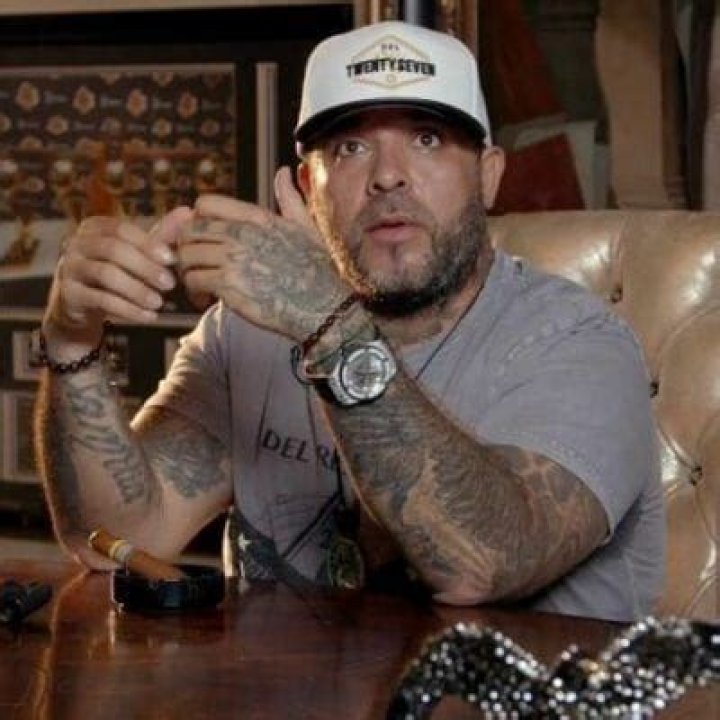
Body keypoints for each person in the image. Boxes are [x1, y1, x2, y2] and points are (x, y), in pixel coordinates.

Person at [33, 21, 665, 621]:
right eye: (350, 147)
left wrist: (330, 325)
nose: (387, 176)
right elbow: (116, 535)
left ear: (489, 176)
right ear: (310, 188)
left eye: (427, 138)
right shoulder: (247, 332)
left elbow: (483, 566)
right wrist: (70, 340)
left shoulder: (581, 345)